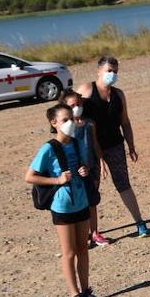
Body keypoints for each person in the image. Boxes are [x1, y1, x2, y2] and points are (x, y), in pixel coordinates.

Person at [25, 103, 104, 297]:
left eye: (71, 118)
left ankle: (86, 291)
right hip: (62, 206)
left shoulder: (77, 143)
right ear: (54, 123)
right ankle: (74, 295)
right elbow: (30, 176)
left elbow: (83, 165)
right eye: (65, 120)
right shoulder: (48, 148)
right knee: (69, 252)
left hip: (81, 201)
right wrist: (57, 180)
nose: (70, 123)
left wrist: (84, 170)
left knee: (83, 250)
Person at [77, 57, 150, 238]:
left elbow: (125, 122)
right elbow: (70, 113)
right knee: (91, 189)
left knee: (123, 184)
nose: (112, 74)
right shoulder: (86, 90)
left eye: (115, 71)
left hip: (115, 145)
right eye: (109, 70)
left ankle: (139, 222)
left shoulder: (118, 95)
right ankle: (90, 232)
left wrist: (131, 145)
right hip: (90, 150)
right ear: (99, 71)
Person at [59, 89, 105, 247]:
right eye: (72, 105)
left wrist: (101, 162)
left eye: (79, 104)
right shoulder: (66, 128)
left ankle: (95, 233)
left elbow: (95, 144)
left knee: (92, 201)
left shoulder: (89, 123)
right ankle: (81, 235)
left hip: (92, 167)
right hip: (75, 170)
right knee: (79, 202)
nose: (77, 107)